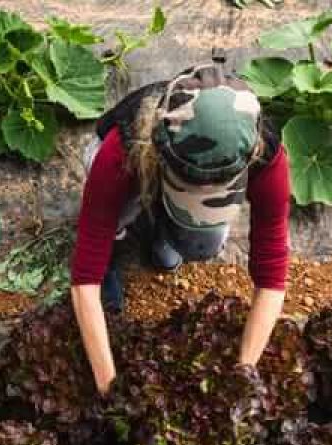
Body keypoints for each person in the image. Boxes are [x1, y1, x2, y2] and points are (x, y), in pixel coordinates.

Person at [70, 64, 291, 395]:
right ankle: (125, 234)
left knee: (203, 245)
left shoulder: (265, 154)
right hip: (133, 166)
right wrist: (110, 390)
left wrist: (244, 374)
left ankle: (161, 225)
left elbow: (273, 276)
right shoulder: (123, 148)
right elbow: (85, 277)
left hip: (160, 173)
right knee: (112, 218)